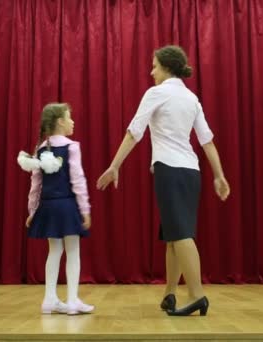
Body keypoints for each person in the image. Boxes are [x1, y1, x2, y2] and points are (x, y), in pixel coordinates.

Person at [96, 45, 230, 316]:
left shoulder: (156, 93)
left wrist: (114, 166)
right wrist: (219, 175)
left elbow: (134, 131)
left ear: (167, 67)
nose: (151, 71)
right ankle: (170, 293)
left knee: (180, 234)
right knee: (173, 234)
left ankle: (197, 295)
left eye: (154, 65)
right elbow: (207, 141)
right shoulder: (191, 98)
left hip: (169, 170)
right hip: (192, 172)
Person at [18, 103, 94, 315]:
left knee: (54, 251)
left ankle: (49, 299)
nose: (73, 121)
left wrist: (32, 211)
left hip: (48, 206)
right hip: (67, 205)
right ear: (60, 122)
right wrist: (85, 209)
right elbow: (78, 180)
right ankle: (72, 301)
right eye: (69, 118)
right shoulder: (71, 147)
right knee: (73, 251)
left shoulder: (41, 148)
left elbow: (36, 184)